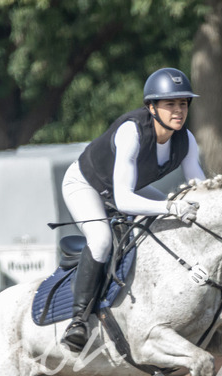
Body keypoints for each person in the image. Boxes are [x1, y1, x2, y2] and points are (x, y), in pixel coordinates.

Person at [60, 67, 207, 351]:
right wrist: (170, 206)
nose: (179, 110)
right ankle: (77, 321)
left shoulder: (185, 140)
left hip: (127, 188)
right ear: (151, 107)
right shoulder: (132, 131)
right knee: (101, 240)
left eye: (183, 103)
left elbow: (198, 186)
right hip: (86, 184)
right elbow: (125, 201)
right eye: (170, 104)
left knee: (169, 225)